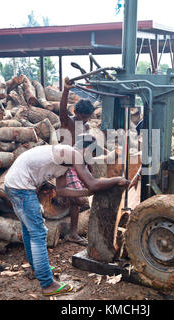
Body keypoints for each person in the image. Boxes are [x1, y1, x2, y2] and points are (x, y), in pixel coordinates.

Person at [4, 136, 129, 296]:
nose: (87, 162)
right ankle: (47, 283)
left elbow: (62, 190)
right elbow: (92, 183)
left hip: (15, 185)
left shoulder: (66, 162)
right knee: (38, 233)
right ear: (85, 150)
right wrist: (116, 179)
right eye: (88, 156)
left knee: (30, 231)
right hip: (20, 188)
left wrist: (85, 192)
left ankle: (38, 269)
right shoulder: (72, 154)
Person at [59, 77, 96, 246]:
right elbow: (61, 109)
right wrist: (66, 90)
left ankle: (73, 233)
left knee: (77, 202)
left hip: (79, 165)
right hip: (65, 165)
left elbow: (86, 151)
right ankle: (72, 233)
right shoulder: (68, 122)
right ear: (75, 112)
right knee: (78, 199)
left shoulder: (86, 127)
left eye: (87, 118)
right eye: (82, 117)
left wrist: (90, 169)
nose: (84, 121)